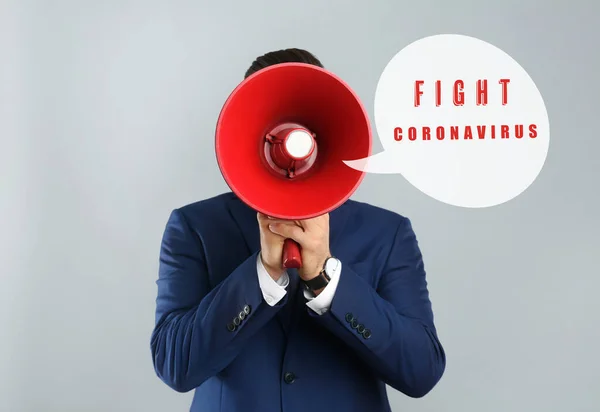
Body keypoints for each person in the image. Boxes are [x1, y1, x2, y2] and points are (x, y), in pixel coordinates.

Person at [150, 48, 446, 412]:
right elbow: (174, 366)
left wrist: (328, 281)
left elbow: (421, 371)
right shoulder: (195, 228)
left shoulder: (387, 233)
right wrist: (262, 274)